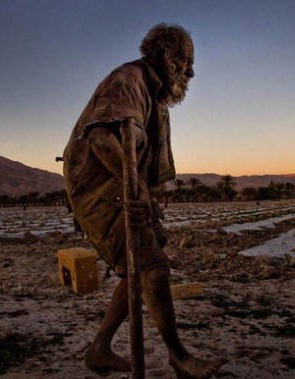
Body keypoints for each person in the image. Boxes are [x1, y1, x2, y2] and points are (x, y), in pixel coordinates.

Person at [62, 23, 222, 379]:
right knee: (153, 266)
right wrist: (134, 190)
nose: (191, 71)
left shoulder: (155, 96)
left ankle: (99, 349)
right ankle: (178, 356)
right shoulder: (129, 80)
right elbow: (103, 138)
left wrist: (142, 194)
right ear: (166, 55)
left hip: (122, 189)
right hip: (100, 194)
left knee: (140, 264)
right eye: (186, 61)